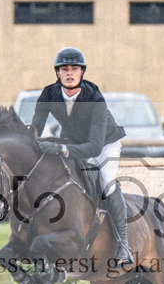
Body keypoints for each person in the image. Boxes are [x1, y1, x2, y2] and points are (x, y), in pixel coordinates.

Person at [30, 47, 133, 266]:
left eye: (74, 69)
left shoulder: (94, 98)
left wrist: (62, 150)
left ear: (81, 72)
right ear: (57, 73)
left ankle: (123, 244)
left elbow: (95, 147)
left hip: (105, 143)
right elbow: (35, 130)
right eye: (64, 69)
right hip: (74, 140)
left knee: (106, 181)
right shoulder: (48, 94)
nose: (69, 73)